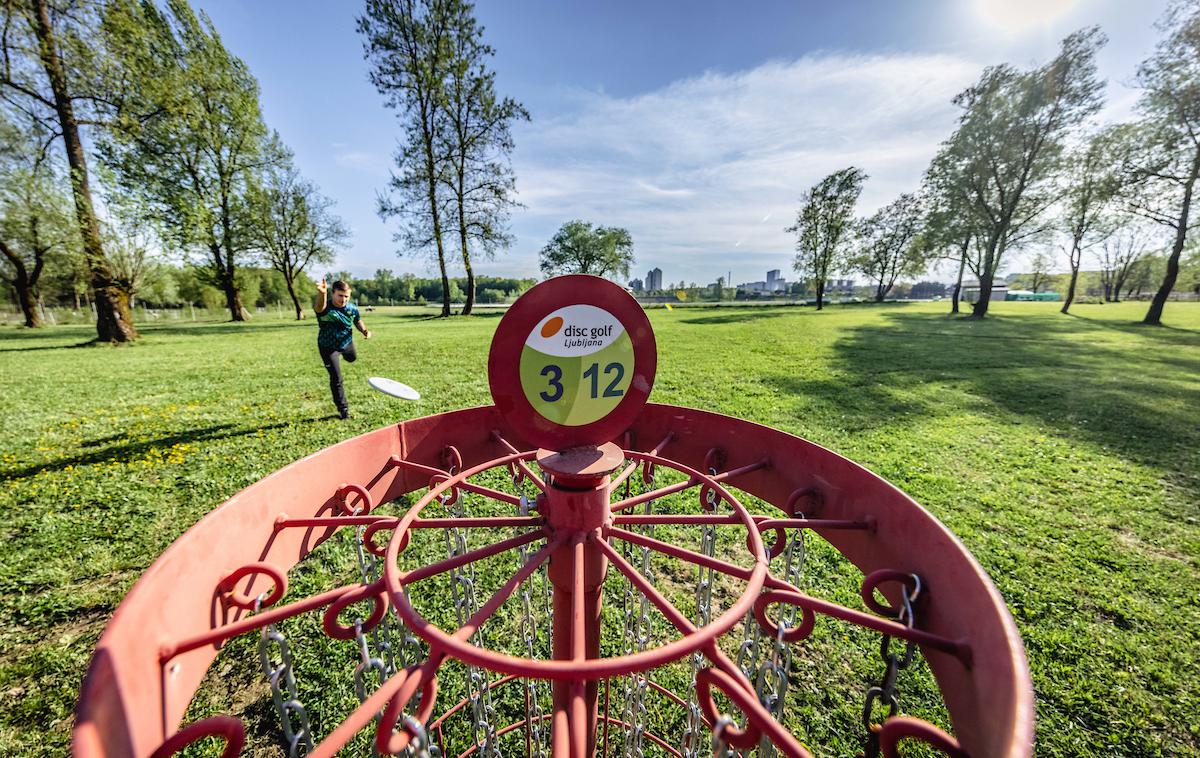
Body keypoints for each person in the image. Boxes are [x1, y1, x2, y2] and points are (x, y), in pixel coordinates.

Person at [314, 278, 371, 419]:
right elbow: (319, 308)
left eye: (346, 296)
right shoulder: (326, 308)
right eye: (340, 295)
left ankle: (346, 355)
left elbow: (357, 320)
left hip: (346, 343)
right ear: (333, 294)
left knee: (352, 358)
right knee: (336, 378)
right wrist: (322, 294)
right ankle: (343, 409)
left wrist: (364, 331)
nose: (344, 299)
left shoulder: (351, 308)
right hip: (328, 347)